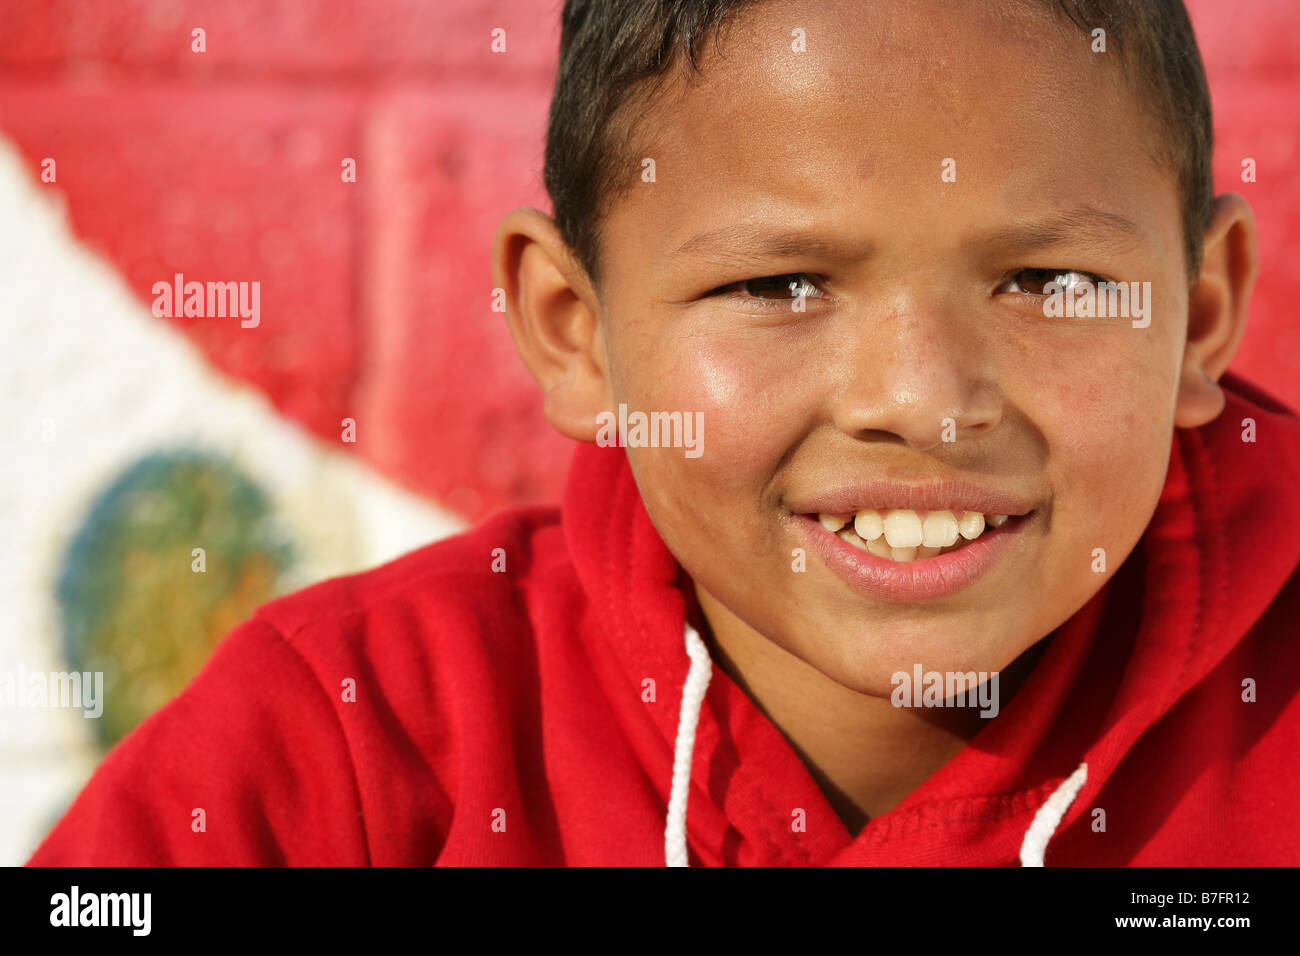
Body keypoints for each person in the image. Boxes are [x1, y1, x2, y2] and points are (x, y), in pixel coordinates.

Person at [29, 0, 1300, 866]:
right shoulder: (350, 747)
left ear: (1196, 314)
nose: (920, 398)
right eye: (776, 286)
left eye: (1044, 282)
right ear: (574, 328)